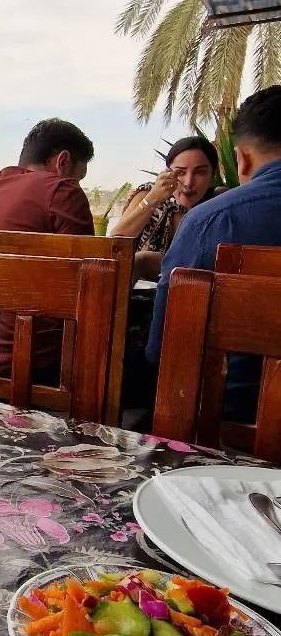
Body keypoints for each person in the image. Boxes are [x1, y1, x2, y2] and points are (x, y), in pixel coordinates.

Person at [146, 88, 281, 421]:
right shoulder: (171, 209)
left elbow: (165, 346)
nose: (189, 181)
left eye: (200, 171)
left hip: (231, 422)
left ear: (242, 158)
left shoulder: (210, 222)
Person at [0, 117, 95, 380]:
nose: (76, 184)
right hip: (38, 365)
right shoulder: (61, 189)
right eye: (79, 177)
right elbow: (92, 284)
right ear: (62, 161)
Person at [111, 136, 219, 280]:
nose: (188, 182)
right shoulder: (148, 193)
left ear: (213, 175)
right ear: (167, 172)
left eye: (200, 172)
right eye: (180, 172)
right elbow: (116, 240)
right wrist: (154, 198)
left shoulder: (218, 204)